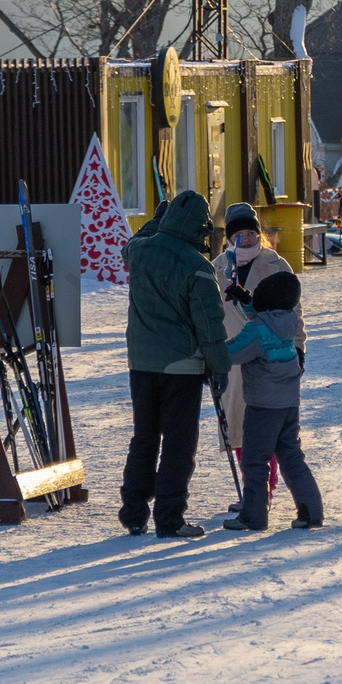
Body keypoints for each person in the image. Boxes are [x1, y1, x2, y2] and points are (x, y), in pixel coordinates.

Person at [120, 190, 230, 538]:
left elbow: (131, 243)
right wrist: (220, 367)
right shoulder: (197, 266)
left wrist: (155, 220)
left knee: (144, 438)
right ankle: (169, 517)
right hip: (182, 367)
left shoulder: (140, 252)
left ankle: (134, 512)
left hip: (141, 363)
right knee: (178, 444)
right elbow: (210, 324)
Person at [220, 269, 324, 533]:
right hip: (288, 403)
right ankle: (311, 512)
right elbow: (264, 319)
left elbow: (232, 352)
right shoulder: (287, 321)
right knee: (291, 456)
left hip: (263, 405)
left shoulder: (256, 330)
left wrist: (210, 347)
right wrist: (247, 301)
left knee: (255, 459)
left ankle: (253, 516)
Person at [213, 201, 300, 489]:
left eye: (251, 233)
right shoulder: (217, 268)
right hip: (233, 357)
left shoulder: (277, 264)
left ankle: (266, 488)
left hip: (270, 358)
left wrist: (299, 348)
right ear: (230, 237)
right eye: (239, 235)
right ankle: (254, 488)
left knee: (268, 428)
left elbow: (294, 313)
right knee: (238, 428)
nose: (247, 239)